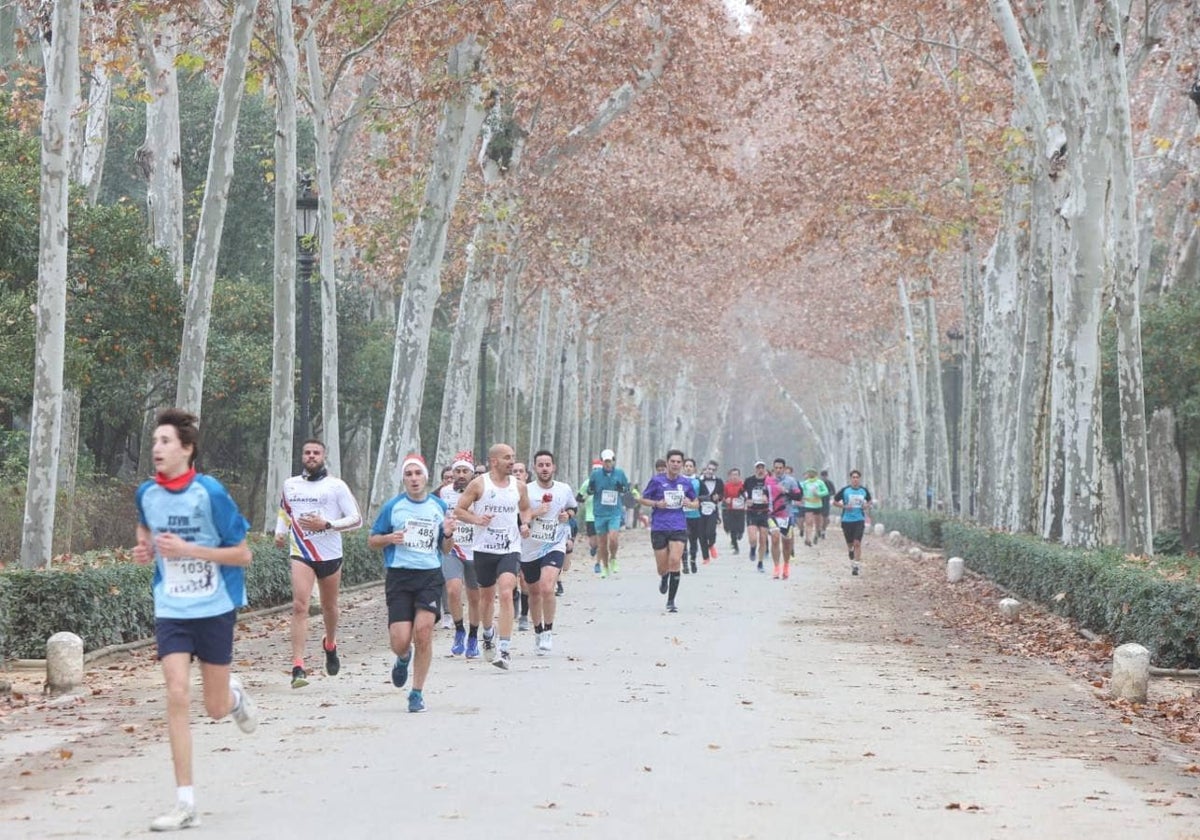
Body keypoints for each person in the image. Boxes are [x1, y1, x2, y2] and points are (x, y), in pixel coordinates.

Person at [133, 408, 257, 832]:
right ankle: (185, 802)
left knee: (216, 708)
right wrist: (145, 549)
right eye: (154, 442)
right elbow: (145, 529)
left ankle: (234, 697)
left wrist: (189, 550)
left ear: (187, 449)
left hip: (215, 606)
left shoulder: (211, 493)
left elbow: (243, 554)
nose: (157, 449)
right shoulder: (146, 493)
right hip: (171, 608)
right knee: (176, 693)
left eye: (165, 441)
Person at [368, 454, 455, 712]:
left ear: (426, 477)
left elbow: (446, 548)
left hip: (429, 576)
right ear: (404, 479)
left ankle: (416, 692)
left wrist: (449, 532)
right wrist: (389, 539)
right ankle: (403, 658)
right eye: (409, 474)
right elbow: (372, 540)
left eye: (418, 473)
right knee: (400, 640)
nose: (414, 479)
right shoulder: (393, 507)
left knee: (424, 632)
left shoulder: (438, 506)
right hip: (399, 576)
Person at [274, 439, 363, 689]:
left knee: (329, 606)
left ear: (323, 456)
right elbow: (285, 511)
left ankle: (330, 644)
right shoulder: (290, 485)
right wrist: (280, 531)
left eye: (316, 453)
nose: (311, 456)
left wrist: (327, 525)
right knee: (300, 605)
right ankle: (298, 666)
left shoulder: (336, 486)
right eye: (307, 452)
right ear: (302, 456)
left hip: (330, 553)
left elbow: (356, 519)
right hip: (301, 551)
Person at [454, 443, 532, 669]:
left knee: (507, 592)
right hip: (484, 549)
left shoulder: (519, 487)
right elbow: (459, 510)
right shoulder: (479, 484)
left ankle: (505, 648)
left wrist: (525, 523)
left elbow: (525, 509)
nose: (512, 461)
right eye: (507, 458)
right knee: (486, 598)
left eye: (513, 457)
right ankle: (487, 633)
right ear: (494, 461)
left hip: (510, 549)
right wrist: (477, 520)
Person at [520, 449, 577, 653]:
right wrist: (533, 516)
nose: (544, 468)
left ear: (554, 467)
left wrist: (567, 515)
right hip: (530, 547)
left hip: (554, 543)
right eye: (540, 465)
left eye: (548, 465)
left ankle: (548, 631)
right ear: (534, 468)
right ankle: (537, 630)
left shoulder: (563, 489)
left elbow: (573, 508)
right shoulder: (525, 490)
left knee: (546, 587)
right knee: (533, 592)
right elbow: (520, 516)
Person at [436, 453, 483, 658]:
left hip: (477, 548)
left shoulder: (482, 491)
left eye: (465, 471)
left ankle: (473, 636)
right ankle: (459, 631)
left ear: (472, 473)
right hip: (452, 547)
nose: (461, 475)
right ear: (452, 473)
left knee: (474, 597)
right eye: (458, 471)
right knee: (453, 590)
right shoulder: (443, 492)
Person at [639, 449, 698, 613]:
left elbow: (696, 502)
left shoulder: (686, 483)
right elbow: (643, 499)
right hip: (659, 526)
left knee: (675, 560)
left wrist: (689, 503)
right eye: (673, 461)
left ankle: (671, 601)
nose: (676, 464)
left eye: (679, 462)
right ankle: (664, 578)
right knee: (662, 567)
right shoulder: (657, 481)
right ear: (667, 463)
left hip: (678, 526)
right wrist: (657, 504)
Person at [586, 448, 630, 577]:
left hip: (614, 512)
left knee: (613, 538)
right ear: (602, 462)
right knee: (602, 543)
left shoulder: (620, 473)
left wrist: (621, 488)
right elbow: (589, 490)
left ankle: (614, 558)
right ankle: (605, 566)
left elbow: (626, 489)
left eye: (609, 461)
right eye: (605, 461)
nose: (607, 464)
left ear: (613, 461)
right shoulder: (595, 474)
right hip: (599, 512)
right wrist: (591, 489)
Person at [833, 470, 873, 575]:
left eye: (857, 477)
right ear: (850, 479)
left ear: (859, 479)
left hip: (859, 519)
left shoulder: (864, 491)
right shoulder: (845, 490)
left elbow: (870, 501)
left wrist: (866, 505)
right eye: (853, 477)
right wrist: (844, 506)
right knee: (850, 544)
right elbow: (835, 502)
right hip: (846, 520)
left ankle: (856, 566)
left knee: (857, 543)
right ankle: (850, 551)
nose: (855, 479)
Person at [770, 458, 801, 580]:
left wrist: (786, 491)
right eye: (776, 468)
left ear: (784, 468)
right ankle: (776, 567)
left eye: (780, 468)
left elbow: (798, 496)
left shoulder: (791, 481)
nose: (778, 470)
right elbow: (764, 494)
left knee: (786, 544)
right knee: (775, 538)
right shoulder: (769, 481)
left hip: (787, 515)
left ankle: (786, 566)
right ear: (773, 468)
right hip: (772, 515)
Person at [743, 460, 771, 572]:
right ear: (755, 469)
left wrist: (768, 498)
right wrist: (746, 499)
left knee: (763, 539)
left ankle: (760, 563)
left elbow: (774, 494)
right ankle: (753, 548)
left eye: (762, 468)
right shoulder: (749, 480)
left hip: (764, 512)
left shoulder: (769, 481)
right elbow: (742, 492)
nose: (760, 470)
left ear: (765, 469)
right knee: (753, 538)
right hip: (752, 512)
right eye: (758, 468)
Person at [576, 459, 602, 574]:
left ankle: (598, 564)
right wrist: (586, 496)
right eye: (595, 470)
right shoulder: (587, 483)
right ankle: (593, 548)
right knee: (593, 542)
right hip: (590, 516)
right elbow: (578, 498)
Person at [696, 461, 724, 563]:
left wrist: (719, 497)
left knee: (710, 531)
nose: (710, 471)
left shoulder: (719, 481)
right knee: (701, 534)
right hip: (700, 509)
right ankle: (706, 557)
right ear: (705, 468)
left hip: (712, 509)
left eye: (713, 470)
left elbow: (722, 494)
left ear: (715, 471)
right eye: (709, 469)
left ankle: (711, 544)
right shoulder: (698, 480)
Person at [681, 457, 702, 574]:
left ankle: (693, 560)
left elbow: (705, 495)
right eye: (686, 466)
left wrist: (696, 501)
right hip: (681, 516)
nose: (688, 468)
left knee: (693, 540)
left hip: (695, 515)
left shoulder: (698, 481)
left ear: (694, 468)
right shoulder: (678, 481)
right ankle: (684, 564)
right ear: (683, 468)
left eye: (690, 466)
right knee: (683, 540)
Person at [799, 468, 828, 547]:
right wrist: (801, 497)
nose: (811, 474)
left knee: (817, 523)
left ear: (816, 474)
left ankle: (817, 533)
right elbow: (801, 491)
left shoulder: (820, 482)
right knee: (809, 522)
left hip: (818, 505)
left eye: (813, 473)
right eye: (809, 472)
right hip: (808, 505)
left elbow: (826, 491)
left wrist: (818, 494)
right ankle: (808, 539)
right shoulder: (805, 483)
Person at [722, 467, 746, 554]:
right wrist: (726, 499)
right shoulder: (727, 486)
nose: (734, 477)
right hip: (730, 509)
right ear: (730, 476)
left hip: (740, 509)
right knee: (732, 529)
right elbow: (724, 496)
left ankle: (740, 533)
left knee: (740, 528)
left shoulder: (743, 485)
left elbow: (746, 496)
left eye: (736, 475)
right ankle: (735, 547)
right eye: (733, 475)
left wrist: (745, 500)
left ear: (739, 476)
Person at [819, 469, 835, 540]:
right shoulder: (818, 483)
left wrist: (827, 494)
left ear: (827, 476)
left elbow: (833, 491)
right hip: (818, 502)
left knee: (825, 517)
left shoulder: (829, 483)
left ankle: (823, 530)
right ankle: (819, 530)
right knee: (820, 517)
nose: (824, 478)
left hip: (826, 502)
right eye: (823, 476)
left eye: (825, 476)